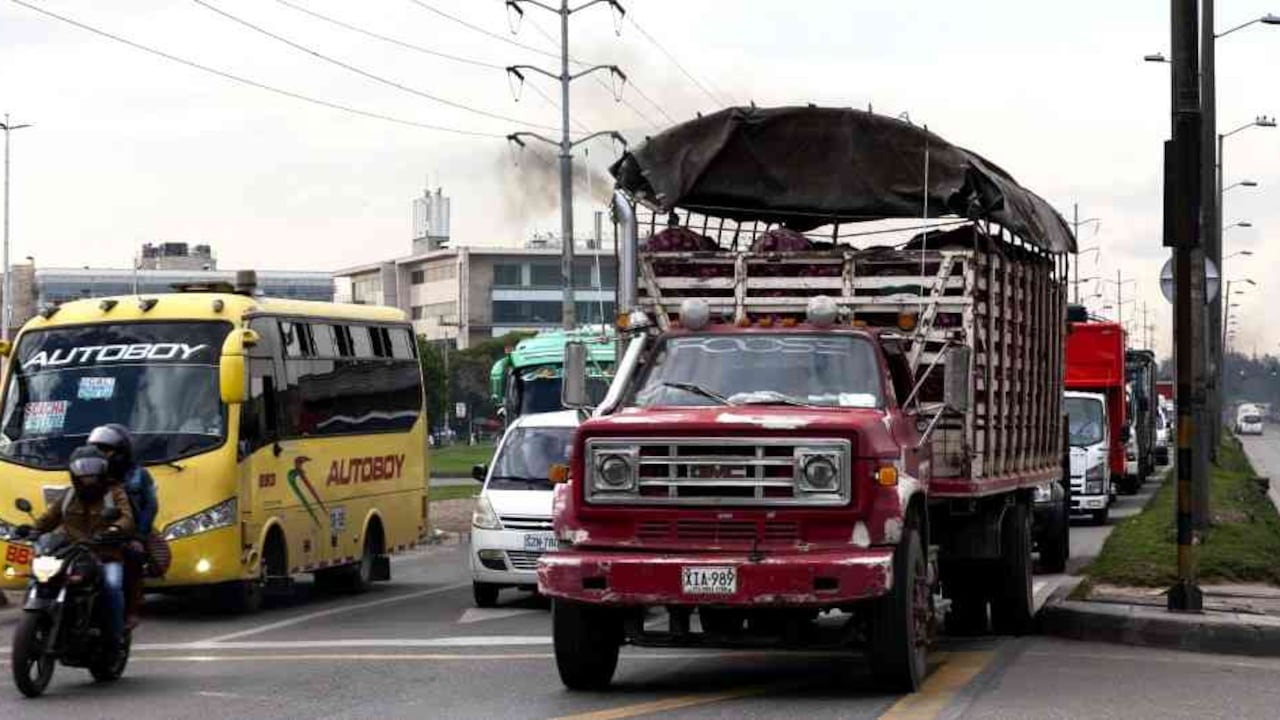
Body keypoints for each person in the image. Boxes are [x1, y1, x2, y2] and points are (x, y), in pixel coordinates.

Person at [30, 446, 134, 648]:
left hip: (105, 554)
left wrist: (114, 530)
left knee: (112, 587)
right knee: (37, 580)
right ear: (75, 475)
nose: (89, 479)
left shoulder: (114, 493)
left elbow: (127, 518)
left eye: (93, 473)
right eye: (84, 474)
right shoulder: (69, 496)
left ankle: (115, 636)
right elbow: (48, 519)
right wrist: (31, 530)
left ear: (103, 472)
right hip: (70, 554)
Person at [89, 423, 158, 628]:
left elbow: (150, 506)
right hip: (94, 532)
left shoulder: (139, 475)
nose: (101, 455)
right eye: (97, 450)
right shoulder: (89, 472)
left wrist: (139, 536)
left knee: (134, 557)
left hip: (127, 533)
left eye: (106, 450)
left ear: (121, 452)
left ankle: (131, 610)